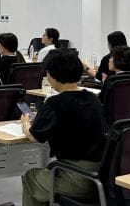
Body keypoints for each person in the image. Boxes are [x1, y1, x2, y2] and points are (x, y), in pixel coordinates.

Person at [21, 49, 106, 206]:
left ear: (52, 75)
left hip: (76, 177)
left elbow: (34, 136)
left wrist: (26, 122)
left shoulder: (55, 103)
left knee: (30, 177)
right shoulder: (93, 98)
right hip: (100, 175)